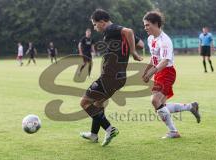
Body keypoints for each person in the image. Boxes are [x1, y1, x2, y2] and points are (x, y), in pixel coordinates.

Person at [80, 9, 143, 146]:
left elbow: (129, 32)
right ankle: (93, 135)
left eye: (95, 24)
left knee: (85, 103)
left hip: (110, 76)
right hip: (119, 77)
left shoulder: (111, 29)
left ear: (102, 22)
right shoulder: (116, 33)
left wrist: (132, 52)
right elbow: (141, 44)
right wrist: (130, 46)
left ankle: (110, 129)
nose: (95, 27)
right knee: (98, 104)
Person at [142, 11, 201, 139]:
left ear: (156, 24)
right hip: (159, 73)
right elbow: (154, 58)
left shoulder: (165, 40)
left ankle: (174, 132)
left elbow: (165, 61)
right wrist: (146, 71)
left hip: (167, 72)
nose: (145, 27)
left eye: (147, 25)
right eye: (145, 25)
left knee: (155, 100)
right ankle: (190, 107)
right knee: (159, 106)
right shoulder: (150, 38)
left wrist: (151, 73)